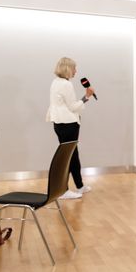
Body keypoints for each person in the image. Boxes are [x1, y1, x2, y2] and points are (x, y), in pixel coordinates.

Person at [45, 57, 95, 199]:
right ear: (68, 69)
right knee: (68, 156)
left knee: (72, 155)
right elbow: (73, 106)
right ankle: (62, 190)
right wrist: (87, 97)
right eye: (74, 68)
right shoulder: (66, 85)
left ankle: (79, 186)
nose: (76, 71)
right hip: (68, 124)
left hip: (60, 124)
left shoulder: (56, 82)